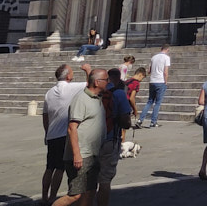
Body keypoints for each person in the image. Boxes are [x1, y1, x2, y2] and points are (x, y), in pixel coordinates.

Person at [52, 67, 107, 206]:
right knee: (75, 194)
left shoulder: (97, 98)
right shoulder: (81, 99)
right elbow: (72, 128)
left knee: (90, 191)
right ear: (97, 82)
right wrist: (76, 154)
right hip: (81, 155)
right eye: (106, 80)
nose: (108, 82)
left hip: (93, 153)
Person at [42, 63, 83, 206]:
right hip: (63, 135)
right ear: (68, 76)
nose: (73, 74)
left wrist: (46, 133)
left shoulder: (49, 92)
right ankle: (53, 197)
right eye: (72, 72)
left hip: (52, 135)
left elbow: (45, 116)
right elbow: (92, 83)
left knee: (49, 167)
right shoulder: (70, 88)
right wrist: (87, 70)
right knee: (60, 168)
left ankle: (44, 197)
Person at [97, 67, 132, 206]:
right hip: (110, 139)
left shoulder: (95, 92)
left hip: (91, 139)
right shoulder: (119, 94)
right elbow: (125, 121)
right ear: (118, 78)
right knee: (105, 180)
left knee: (90, 180)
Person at [136, 45, 170, 128]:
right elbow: (165, 72)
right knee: (157, 103)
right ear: (167, 49)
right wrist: (166, 81)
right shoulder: (166, 58)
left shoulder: (154, 57)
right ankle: (153, 122)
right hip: (160, 81)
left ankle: (140, 120)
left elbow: (149, 70)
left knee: (149, 101)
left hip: (152, 81)